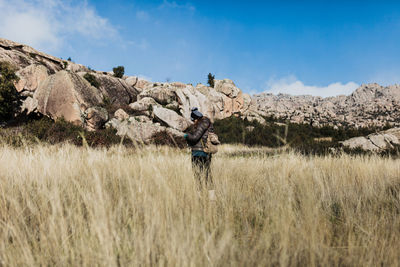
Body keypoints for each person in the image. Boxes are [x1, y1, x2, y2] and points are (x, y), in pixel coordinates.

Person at [184, 107, 214, 192]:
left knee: (198, 176)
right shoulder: (208, 123)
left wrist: (187, 136)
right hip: (207, 152)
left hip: (198, 152)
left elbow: (194, 138)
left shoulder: (202, 123)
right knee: (207, 175)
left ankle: (200, 199)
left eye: (193, 120)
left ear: (196, 118)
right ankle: (212, 198)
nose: (193, 122)